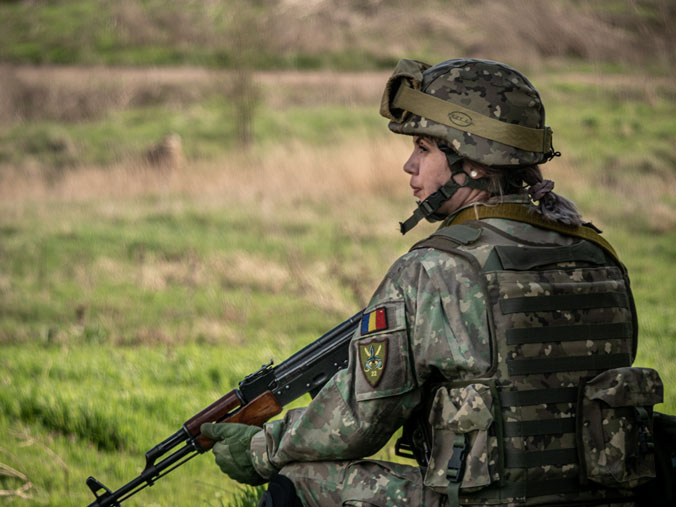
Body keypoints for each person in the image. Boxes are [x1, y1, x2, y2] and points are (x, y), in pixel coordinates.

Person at [200, 58, 663, 506]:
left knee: (298, 480)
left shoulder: (434, 268)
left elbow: (360, 418)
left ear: (474, 161)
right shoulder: (599, 253)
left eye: (424, 148)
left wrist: (260, 449)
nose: (409, 166)